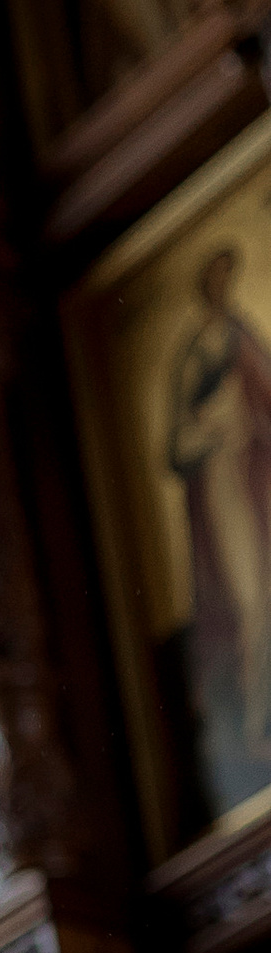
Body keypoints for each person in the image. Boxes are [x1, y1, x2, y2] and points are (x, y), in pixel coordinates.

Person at [167, 245, 271, 814]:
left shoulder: (243, 336)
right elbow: (177, 441)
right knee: (247, 603)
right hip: (225, 495)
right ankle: (255, 727)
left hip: (260, 486)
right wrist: (214, 426)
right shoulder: (194, 354)